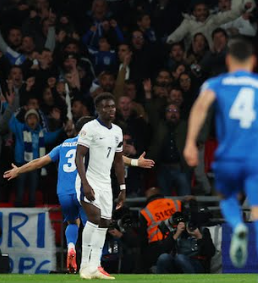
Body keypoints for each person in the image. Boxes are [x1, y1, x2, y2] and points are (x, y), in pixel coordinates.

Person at [183, 38, 258, 283]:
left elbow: (199, 108)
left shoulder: (216, 83)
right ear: (253, 61)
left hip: (228, 157)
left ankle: (237, 224)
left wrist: (190, 143)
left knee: (227, 198)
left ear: (228, 60)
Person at [3, 116, 154, 273]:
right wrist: (136, 162)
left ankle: (70, 248)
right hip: (82, 190)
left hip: (63, 192)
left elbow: (39, 162)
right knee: (95, 225)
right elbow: (117, 158)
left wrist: (18, 170)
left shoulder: (62, 145)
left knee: (72, 223)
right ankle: (95, 264)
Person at [75, 93, 127, 280]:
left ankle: (95, 266)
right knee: (94, 218)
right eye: (106, 107)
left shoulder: (117, 132)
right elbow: (79, 157)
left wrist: (122, 188)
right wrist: (85, 183)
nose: (110, 110)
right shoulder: (90, 128)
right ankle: (84, 266)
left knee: (105, 223)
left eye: (112, 106)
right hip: (88, 180)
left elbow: (119, 161)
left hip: (106, 183)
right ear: (97, 109)